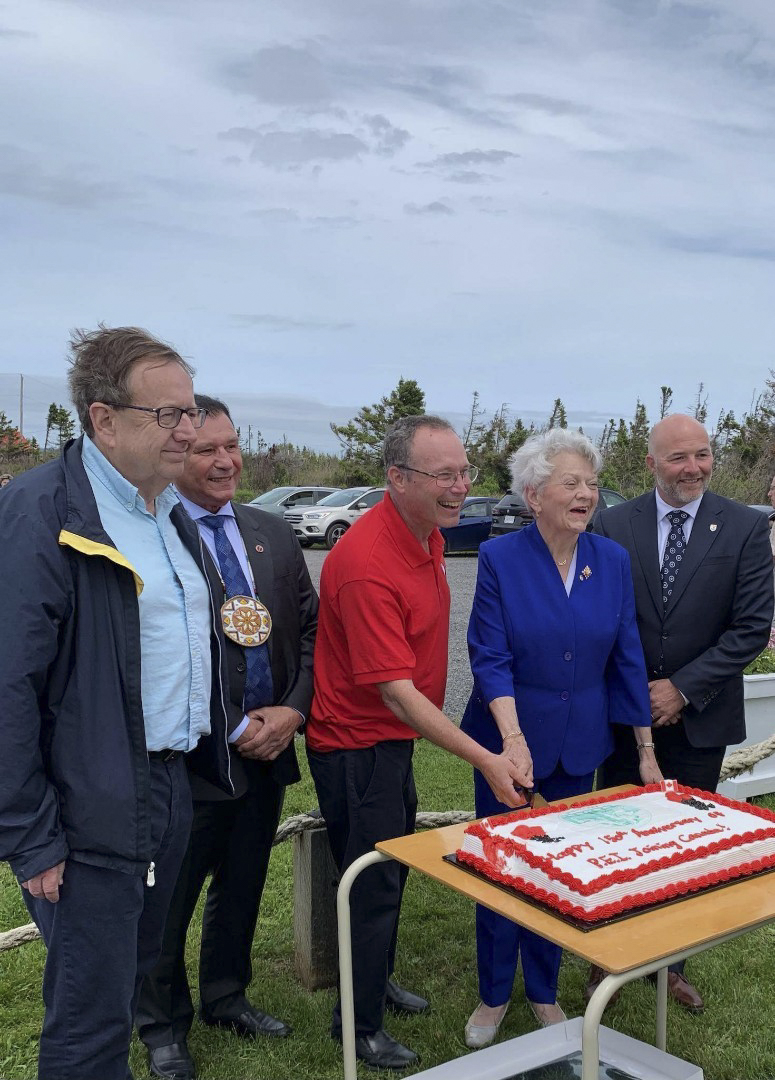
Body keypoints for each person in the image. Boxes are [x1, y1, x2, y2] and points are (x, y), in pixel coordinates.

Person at [0, 326, 239, 1080]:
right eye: (168, 415)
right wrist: (32, 836)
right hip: (86, 805)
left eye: (191, 410)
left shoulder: (162, 510)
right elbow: (7, 685)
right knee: (91, 1017)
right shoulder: (42, 513)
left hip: (165, 787)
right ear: (104, 419)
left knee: (127, 976)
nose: (190, 430)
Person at [305, 414, 525, 1071]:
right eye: (443, 475)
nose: (460, 486)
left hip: (389, 742)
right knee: (368, 884)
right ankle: (359, 1026)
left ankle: (375, 981)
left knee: (390, 871)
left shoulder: (425, 532)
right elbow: (396, 692)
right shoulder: (366, 563)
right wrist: (485, 756)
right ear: (396, 478)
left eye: (465, 472)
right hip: (357, 746)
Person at [137, 395, 318, 1080]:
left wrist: (292, 713)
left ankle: (225, 996)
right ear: (177, 452)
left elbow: (308, 631)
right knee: (169, 898)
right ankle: (162, 1027)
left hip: (270, 751)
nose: (225, 462)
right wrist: (233, 722)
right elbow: (154, 655)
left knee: (241, 884)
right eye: (207, 449)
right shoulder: (150, 535)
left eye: (232, 446)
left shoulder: (270, 529)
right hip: (189, 756)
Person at [460, 429, 659, 1049]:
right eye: (570, 483)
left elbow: (627, 655)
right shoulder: (501, 558)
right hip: (505, 739)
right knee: (502, 870)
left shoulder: (612, 559)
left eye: (592, 484)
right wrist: (511, 739)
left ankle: (543, 990)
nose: (586, 494)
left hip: (581, 744)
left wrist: (647, 754)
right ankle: (494, 993)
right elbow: (489, 655)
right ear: (533, 493)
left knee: (559, 872)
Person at [590, 413, 774, 1012]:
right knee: (613, 841)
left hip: (701, 719)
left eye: (702, 455)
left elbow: (749, 629)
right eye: (678, 458)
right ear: (651, 464)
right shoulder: (613, 523)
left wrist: (680, 688)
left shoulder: (746, 526)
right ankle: (605, 960)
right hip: (621, 717)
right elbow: (600, 617)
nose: (693, 467)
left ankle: (670, 964)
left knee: (682, 845)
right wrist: (636, 689)